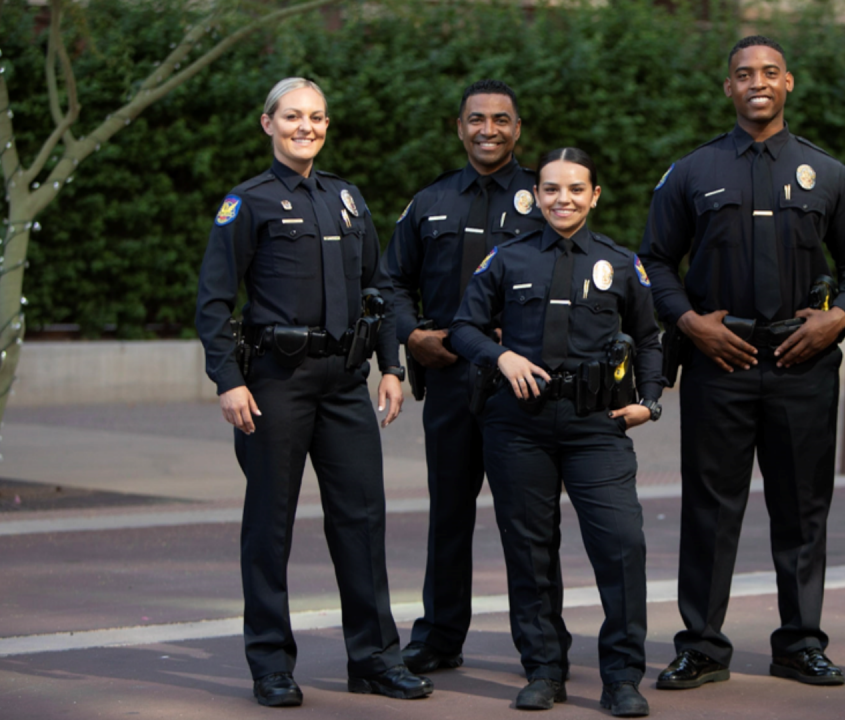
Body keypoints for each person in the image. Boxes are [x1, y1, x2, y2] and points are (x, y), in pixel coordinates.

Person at [639, 35, 845, 690]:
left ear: (789, 83)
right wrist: (688, 322)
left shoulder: (828, 173)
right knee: (710, 509)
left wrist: (841, 316)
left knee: (803, 510)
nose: (757, 82)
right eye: (743, 73)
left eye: (769, 72)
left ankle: (800, 643)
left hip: (804, 361)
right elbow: (653, 260)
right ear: (728, 88)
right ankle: (702, 647)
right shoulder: (692, 171)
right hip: (722, 360)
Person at [195, 77, 432, 707]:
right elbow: (213, 303)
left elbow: (378, 291)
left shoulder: (348, 199)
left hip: (345, 383)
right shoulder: (246, 204)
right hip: (275, 384)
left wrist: (390, 366)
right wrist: (230, 380)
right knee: (269, 527)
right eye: (294, 116)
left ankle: (375, 658)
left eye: (318, 117)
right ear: (267, 123)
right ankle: (271, 664)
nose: (307, 126)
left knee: (362, 520)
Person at [451, 147, 663, 717]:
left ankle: (622, 677)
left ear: (594, 196)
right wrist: (502, 358)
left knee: (622, 546)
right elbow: (463, 328)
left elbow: (648, 337)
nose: (562, 199)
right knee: (529, 550)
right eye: (550, 189)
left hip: (598, 426)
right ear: (536, 196)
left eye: (575, 189)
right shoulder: (506, 259)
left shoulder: (620, 262)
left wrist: (650, 401)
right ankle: (544, 669)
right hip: (519, 426)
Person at [383, 80, 571, 676]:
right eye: (476, 119)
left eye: (501, 119)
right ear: (458, 126)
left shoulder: (544, 196)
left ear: (519, 129)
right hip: (449, 381)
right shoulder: (430, 201)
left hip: (522, 386)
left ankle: (544, 646)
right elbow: (389, 283)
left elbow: (575, 271)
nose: (488, 129)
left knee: (531, 520)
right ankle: (439, 636)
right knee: (449, 516)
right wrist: (412, 335)